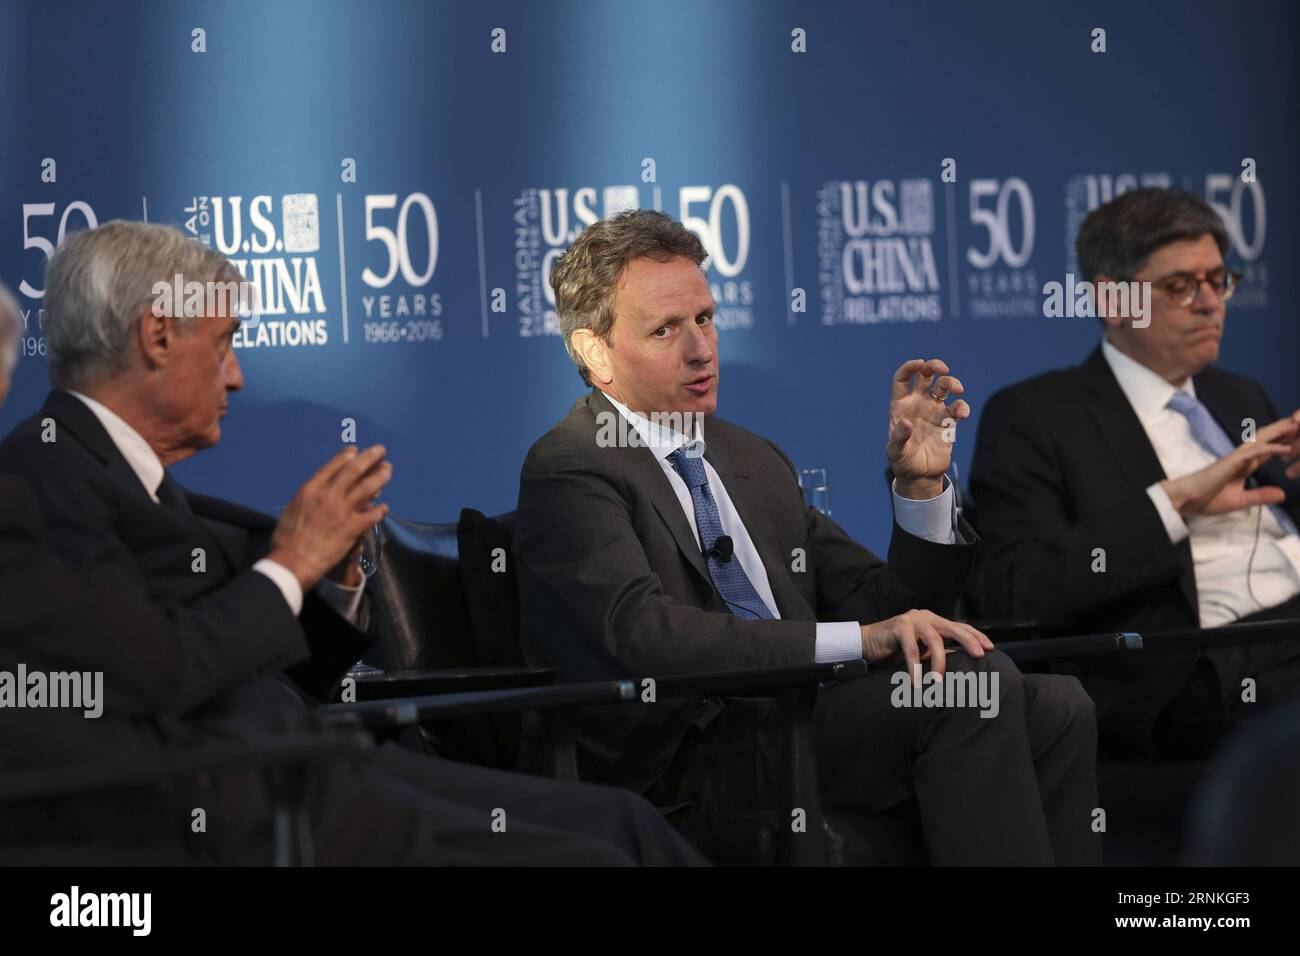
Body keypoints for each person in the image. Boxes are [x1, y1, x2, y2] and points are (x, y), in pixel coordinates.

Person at [0, 229, 704, 866]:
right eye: (223, 342)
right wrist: (287, 565)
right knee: (589, 860)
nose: (237, 374)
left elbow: (251, 662)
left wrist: (331, 583)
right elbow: (152, 677)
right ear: (157, 336)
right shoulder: (49, 477)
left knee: (623, 821)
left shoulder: (138, 479)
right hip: (247, 802)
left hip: (320, 754)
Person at [514, 209, 1099, 864]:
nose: (701, 348)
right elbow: (643, 635)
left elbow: (887, 599)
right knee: (976, 691)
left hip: (800, 722)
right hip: (692, 756)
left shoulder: (748, 456)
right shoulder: (573, 463)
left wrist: (919, 490)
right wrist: (856, 642)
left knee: (1058, 703)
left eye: (705, 318)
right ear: (596, 351)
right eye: (665, 329)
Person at [970, 187, 1300, 757]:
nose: (1209, 302)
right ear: (1114, 301)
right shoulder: (1035, 416)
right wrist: (1173, 505)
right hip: (1192, 668)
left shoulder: (1240, 395)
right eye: (1180, 286)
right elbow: (1015, 592)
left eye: (1218, 280)